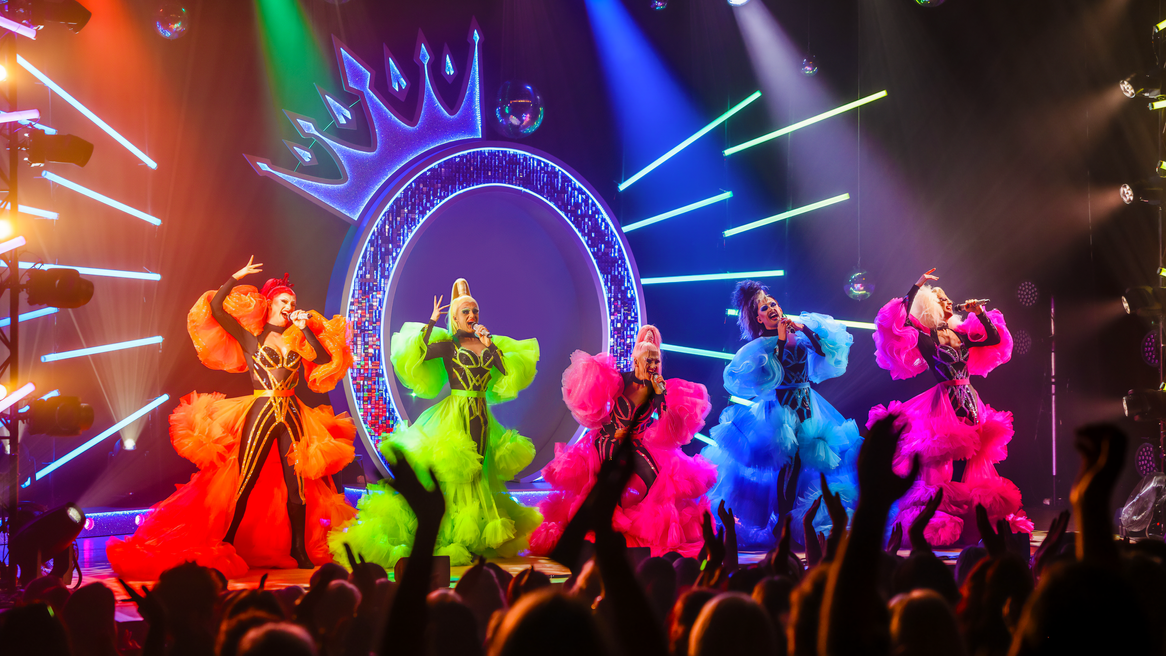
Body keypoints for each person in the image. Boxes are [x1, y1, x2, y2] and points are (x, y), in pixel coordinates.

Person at [107, 258, 356, 578]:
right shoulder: (251, 338)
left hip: (292, 411)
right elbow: (218, 310)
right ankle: (228, 539)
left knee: (297, 485)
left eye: (292, 302)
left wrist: (306, 328)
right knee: (246, 477)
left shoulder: (297, 338)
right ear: (269, 304)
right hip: (261, 410)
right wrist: (234, 277)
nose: (289, 305)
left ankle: (298, 547)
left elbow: (323, 359)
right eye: (283, 300)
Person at [331, 278, 541, 567]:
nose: (472, 316)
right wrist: (430, 323)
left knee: (480, 470)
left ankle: (477, 535)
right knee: (457, 473)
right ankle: (452, 534)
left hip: (481, 415)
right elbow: (420, 354)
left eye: (475, 312)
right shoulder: (448, 345)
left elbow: (505, 371)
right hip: (454, 413)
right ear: (454, 318)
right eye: (466, 312)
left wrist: (490, 344)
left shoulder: (486, 344)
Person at [868, 268, 1030, 546]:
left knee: (976, 460)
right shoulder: (925, 336)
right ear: (930, 305)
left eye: (946, 298)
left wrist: (978, 312)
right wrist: (917, 286)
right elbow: (900, 319)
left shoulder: (960, 334)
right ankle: (935, 519)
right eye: (940, 298)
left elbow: (992, 339)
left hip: (969, 399)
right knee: (940, 463)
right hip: (943, 405)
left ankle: (978, 520)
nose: (947, 302)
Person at [529, 325, 715, 558]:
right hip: (606, 441)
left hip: (636, 444)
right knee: (604, 481)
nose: (653, 366)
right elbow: (595, 405)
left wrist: (662, 397)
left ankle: (639, 529)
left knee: (656, 479)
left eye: (656, 361)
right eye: (649, 361)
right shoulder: (620, 380)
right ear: (636, 362)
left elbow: (670, 426)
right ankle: (598, 525)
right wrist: (613, 427)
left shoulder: (657, 388)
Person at [701, 280, 861, 548]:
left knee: (806, 467)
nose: (772, 308)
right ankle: (783, 524)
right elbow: (771, 372)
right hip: (781, 414)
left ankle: (801, 522)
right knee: (789, 466)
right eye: (765, 308)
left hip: (809, 407)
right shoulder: (761, 347)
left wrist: (805, 329)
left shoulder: (797, 335)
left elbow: (823, 352)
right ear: (759, 319)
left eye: (774, 303)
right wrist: (783, 338)